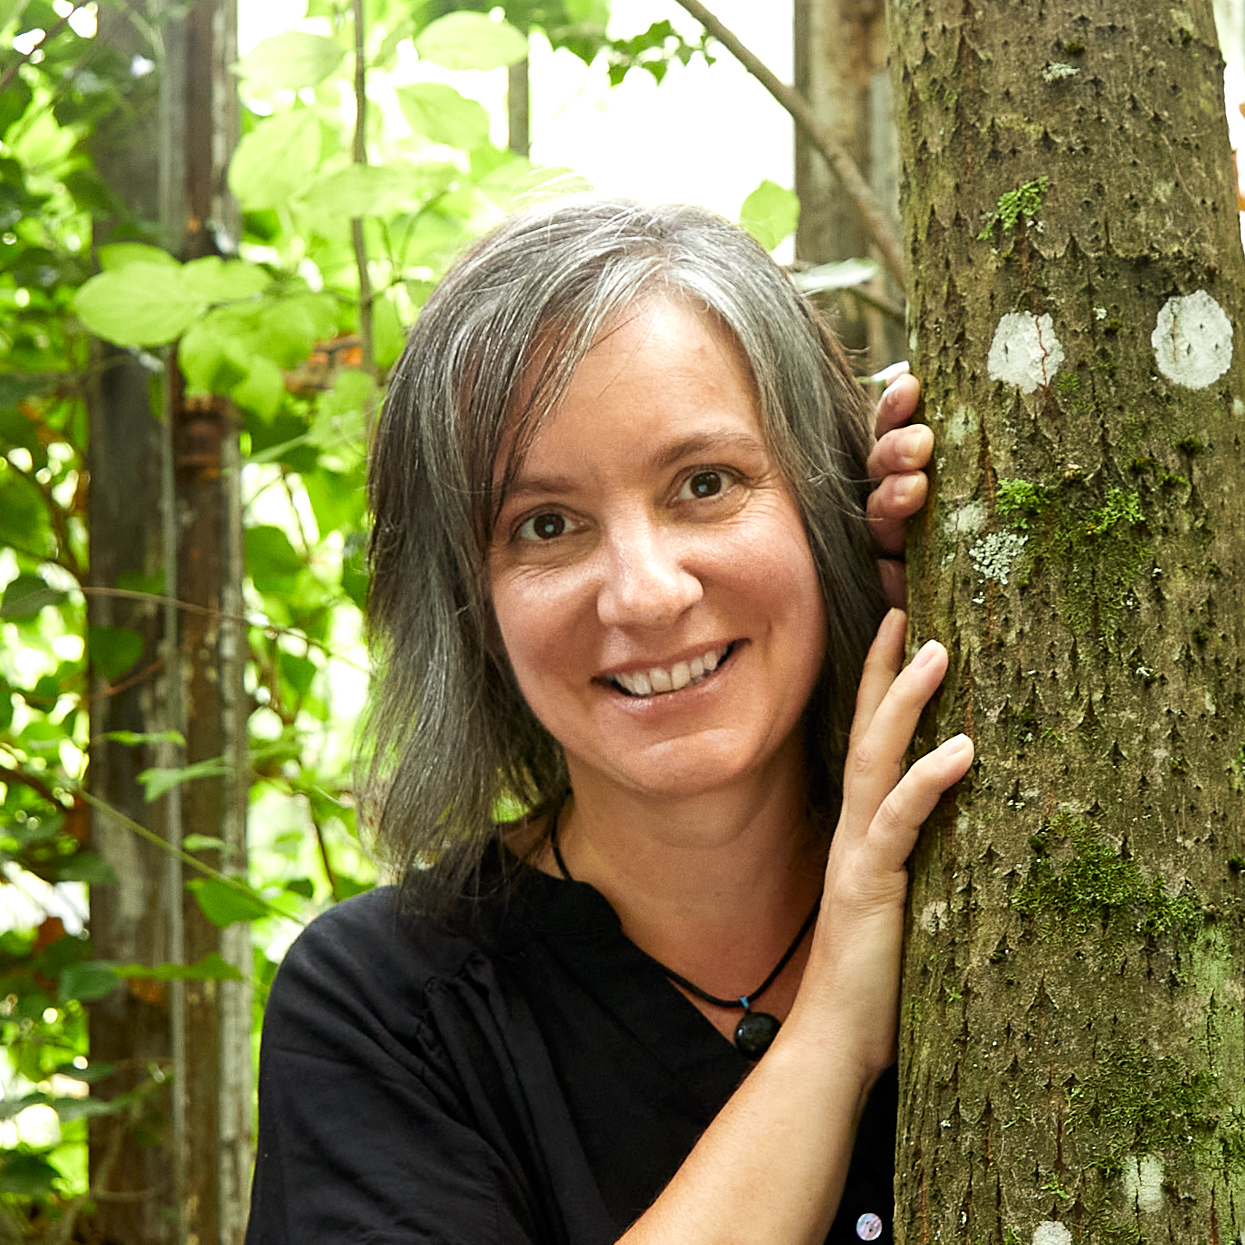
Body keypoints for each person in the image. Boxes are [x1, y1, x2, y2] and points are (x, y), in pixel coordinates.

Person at [245, 199, 971, 1245]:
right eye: (546, 525)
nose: (644, 592)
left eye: (704, 484)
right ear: (470, 606)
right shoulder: (386, 1010)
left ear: (825, 505)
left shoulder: (1000, 877)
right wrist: (836, 1028)